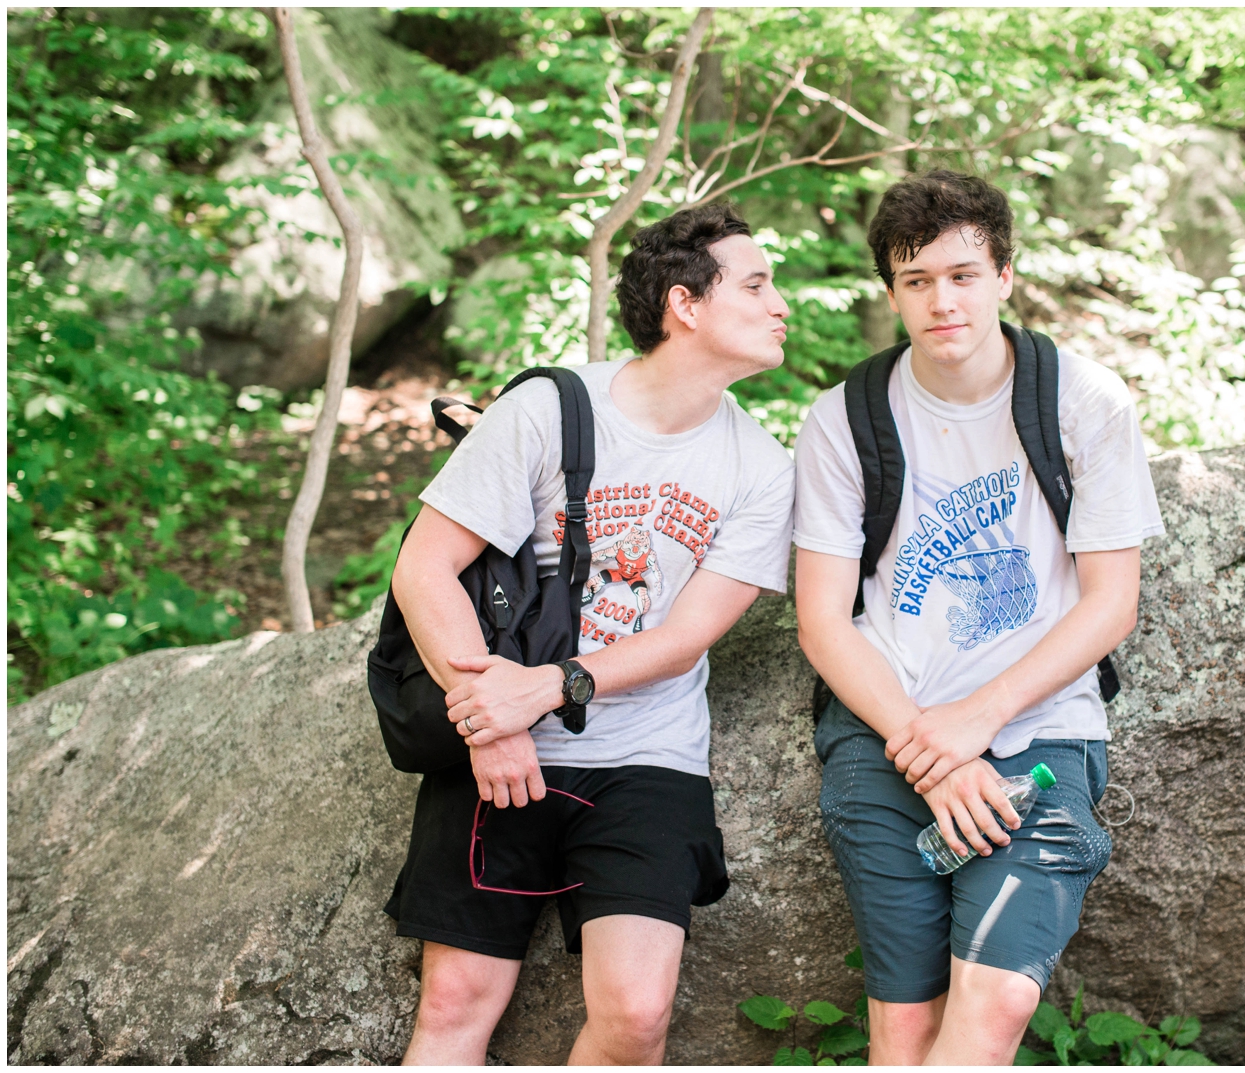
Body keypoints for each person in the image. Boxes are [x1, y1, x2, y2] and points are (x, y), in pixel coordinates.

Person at [385, 203, 795, 1065]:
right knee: (457, 997)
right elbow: (424, 570)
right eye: (756, 285)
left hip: (647, 760)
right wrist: (489, 721)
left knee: (637, 1014)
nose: (779, 303)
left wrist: (548, 687)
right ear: (686, 304)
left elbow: (686, 637)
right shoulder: (547, 409)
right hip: (497, 742)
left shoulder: (761, 467)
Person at [792, 171, 1165, 1065]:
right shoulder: (844, 420)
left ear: (1004, 275)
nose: (940, 299)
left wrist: (978, 721)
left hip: (1038, 732)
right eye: (916, 280)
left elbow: (1112, 601)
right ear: (892, 292)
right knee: (906, 1027)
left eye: (962, 274)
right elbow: (822, 623)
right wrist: (931, 745)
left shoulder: (1083, 400)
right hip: (887, 734)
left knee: (992, 1006)